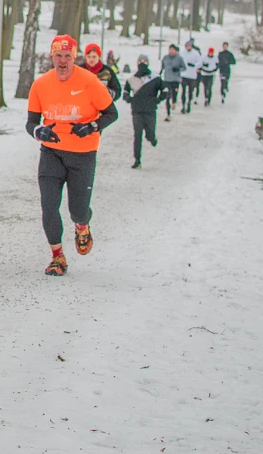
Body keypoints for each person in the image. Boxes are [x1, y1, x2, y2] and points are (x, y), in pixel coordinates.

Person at [25, 35, 119, 276]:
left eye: (68, 56)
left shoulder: (89, 81)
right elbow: (31, 122)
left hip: (83, 154)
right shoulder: (41, 84)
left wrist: (92, 127)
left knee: (77, 210)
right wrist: (39, 131)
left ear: (74, 58)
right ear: (52, 57)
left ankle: (82, 225)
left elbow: (112, 113)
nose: (63, 61)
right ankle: (57, 257)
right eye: (58, 56)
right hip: (52, 153)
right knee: (48, 206)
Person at [122, 55, 167, 168]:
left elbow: (164, 90)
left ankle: (152, 138)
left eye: (145, 61)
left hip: (150, 110)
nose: (142, 63)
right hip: (137, 111)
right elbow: (125, 92)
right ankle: (137, 160)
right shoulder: (132, 79)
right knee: (137, 135)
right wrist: (129, 99)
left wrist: (158, 99)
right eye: (140, 61)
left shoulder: (155, 78)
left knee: (149, 133)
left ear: (148, 63)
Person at [160, 44, 185, 121]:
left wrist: (178, 69)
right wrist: (160, 72)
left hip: (175, 80)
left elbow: (184, 67)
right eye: (170, 49)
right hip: (167, 79)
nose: (171, 51)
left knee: (174, 94)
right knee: (167, 96)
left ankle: (174, 102)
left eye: (173, 50)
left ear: (175, 51)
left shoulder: (179, 58)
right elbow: (162, 66)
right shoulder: (165, 57)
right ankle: (168, 114)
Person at [180, 41, 202, 113]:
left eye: (190, 46)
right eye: (187, 46)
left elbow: (200, 62)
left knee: (190, 91)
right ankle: (183, 105)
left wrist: (194, 65)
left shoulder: (195, 54)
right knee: (183, 91)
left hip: (192, 76)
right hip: (184, 75)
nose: (188, 47)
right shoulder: (182, 53)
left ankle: (189, 103)